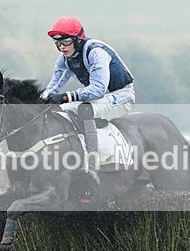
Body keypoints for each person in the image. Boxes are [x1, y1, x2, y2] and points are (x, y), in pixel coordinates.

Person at [41, 15, 135, 188]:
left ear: (78, 39)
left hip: (121, 96)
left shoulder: (95, 52)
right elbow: (52, 88)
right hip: (99, 98)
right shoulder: (65, 58)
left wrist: (66, 97)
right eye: (58, 43)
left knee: (85, 109)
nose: (62, 47)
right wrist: (38, 103)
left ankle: (92, 166)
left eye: (66, 42)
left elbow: (98, 88)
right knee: (58, 110)